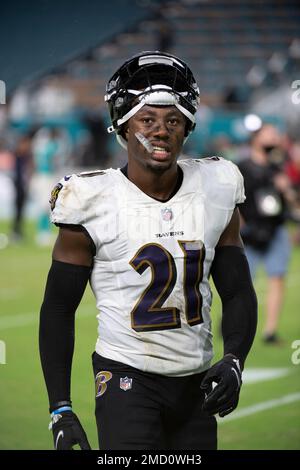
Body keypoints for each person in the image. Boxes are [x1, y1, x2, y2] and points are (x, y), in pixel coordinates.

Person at [39, 51, 257, 450]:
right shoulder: (91, 199)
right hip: (127, 378)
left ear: (187, 126)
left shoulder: (217, 185)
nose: (160, 131)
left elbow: (238, 289)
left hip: (197, 381)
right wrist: (61, 408)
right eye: (147, 119)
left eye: (172, 120)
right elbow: (57, 308)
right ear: (123, 125)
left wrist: (235, 359)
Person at [238, 124, 291, 344]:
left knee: (277, 278)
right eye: (269, 134)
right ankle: (236, 325)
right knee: (242, 283)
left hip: (274, 229)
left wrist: (285, 189)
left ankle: (270, 331)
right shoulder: (242, 167)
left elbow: (290, 202)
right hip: (248, 232)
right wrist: (240, 229)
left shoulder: (278, 167)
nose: (274, 138)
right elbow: (234, 202)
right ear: (256, 138)